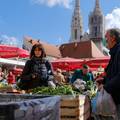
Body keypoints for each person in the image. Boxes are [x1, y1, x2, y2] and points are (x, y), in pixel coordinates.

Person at [103, 28, 120, 119]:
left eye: (106, 37)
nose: (105, 39)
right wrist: (103, 80)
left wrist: (105, 87)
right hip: (115, 99)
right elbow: (113, 73)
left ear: (113, 38)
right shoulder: (114, 53)